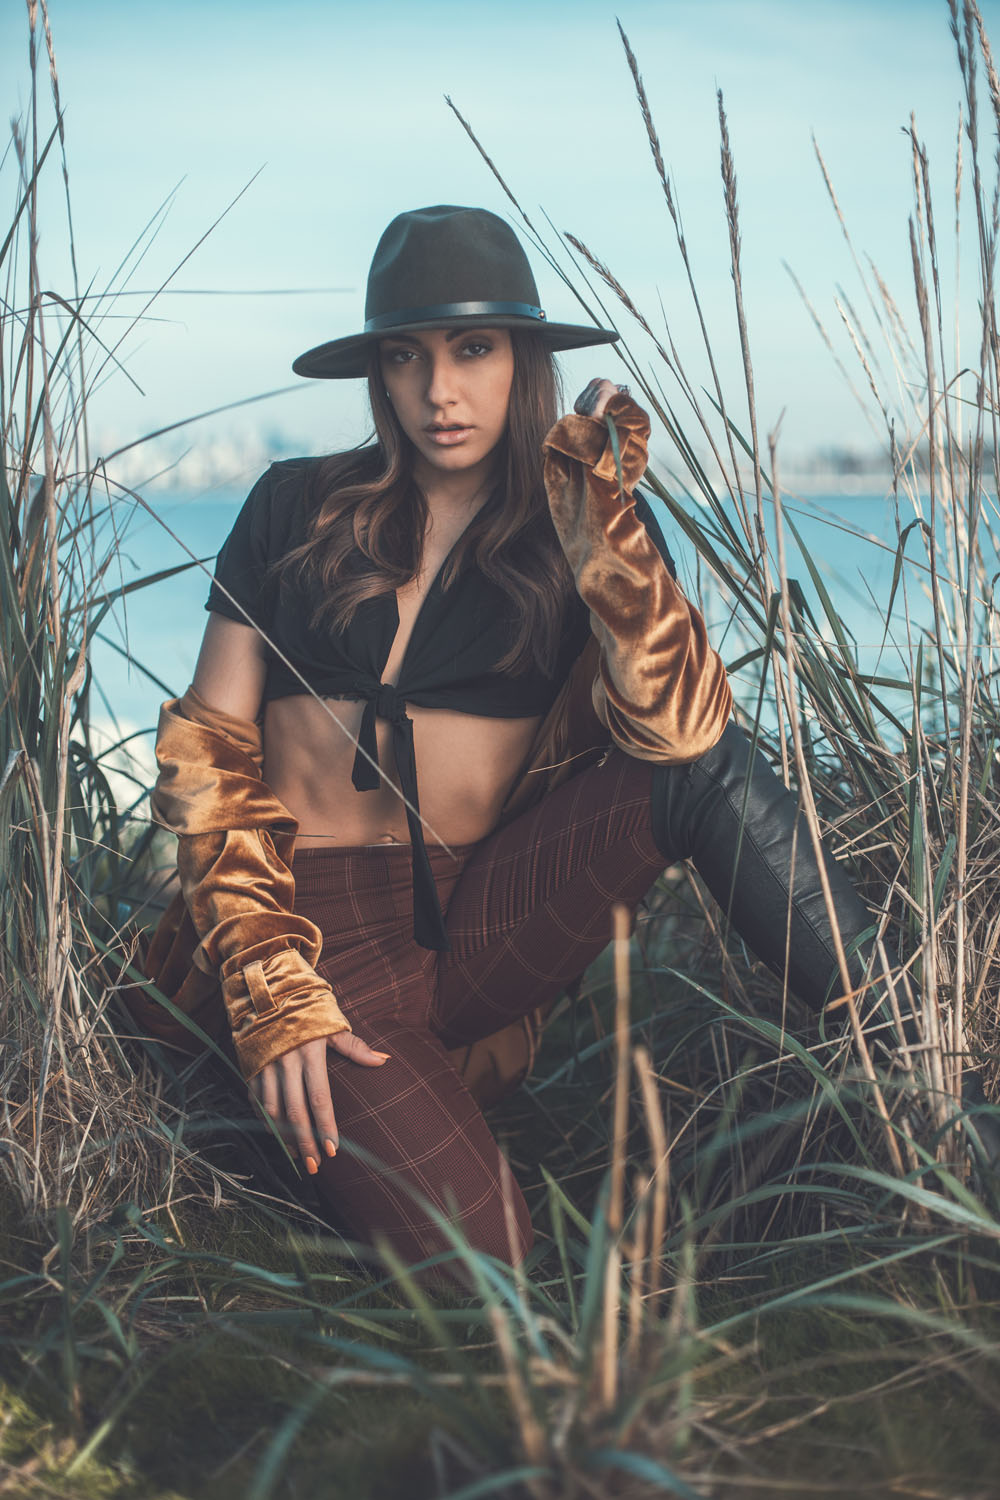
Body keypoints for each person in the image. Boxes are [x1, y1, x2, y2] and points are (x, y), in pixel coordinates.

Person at [131, 204, 918, 1287]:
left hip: (484, 916)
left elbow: (683, 730)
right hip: (313, 938)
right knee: (492, 1275)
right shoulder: (293, 507)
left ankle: (920, 1053)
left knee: (703, 773)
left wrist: (598, 505)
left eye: (472, 350)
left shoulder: (576, 529)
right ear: (378, 373)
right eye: (406, 357)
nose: (438, 391)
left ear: (524, 359)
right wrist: (268, 975)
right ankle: (267, 1120)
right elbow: (209, 754)